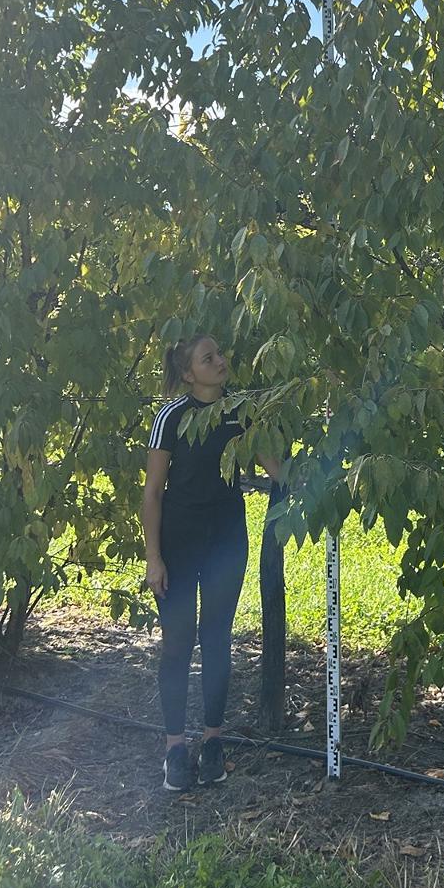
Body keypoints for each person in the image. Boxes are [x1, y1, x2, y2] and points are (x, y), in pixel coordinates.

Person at [141, 333, 282, 792]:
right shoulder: (172, 417)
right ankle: (175, 750)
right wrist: (154, 558)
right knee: (178, 643)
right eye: (209, 358)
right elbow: (153, 493)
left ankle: (213, 742)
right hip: (178, 546)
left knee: (217, 637)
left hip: (226, 541)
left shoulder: (241, 412)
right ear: (188, 373)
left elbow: (273, 467)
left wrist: (321, 482)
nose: (221, 361)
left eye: (220, 353)